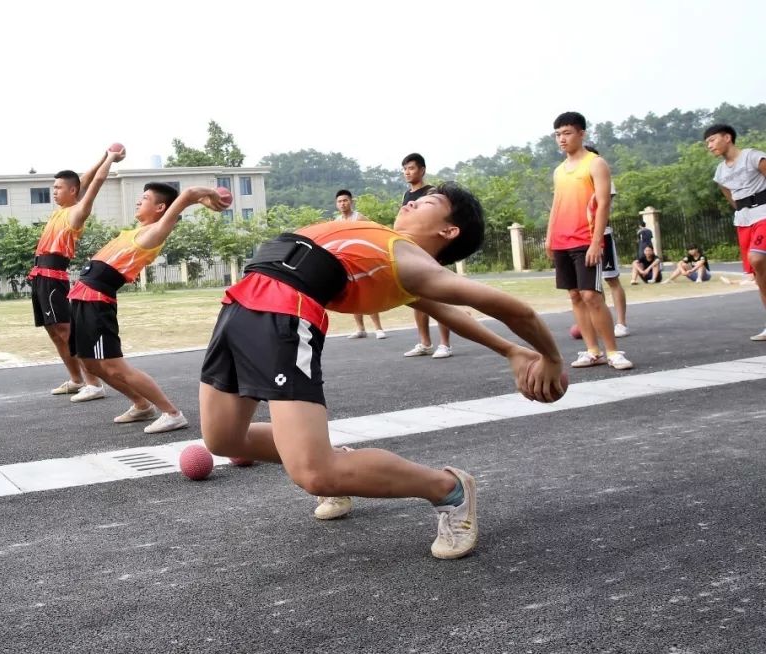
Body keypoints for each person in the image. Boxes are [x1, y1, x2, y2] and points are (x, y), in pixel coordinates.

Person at [198, 183, 567, 559]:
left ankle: (448, 488)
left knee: (314, 474)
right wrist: (509, 350)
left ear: (449, 230)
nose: (412, 203)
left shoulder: (412, 264)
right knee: (224, 438)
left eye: (428, 202)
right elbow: (449, 312)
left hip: (283, 314)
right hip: (240, 305)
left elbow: (514, 309)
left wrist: (550, 358)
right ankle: (335, 460)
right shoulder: (390, 250)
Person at [68, 183, 230, 433]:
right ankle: (142, 405)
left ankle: (172, 413)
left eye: (144, 198)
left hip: (96, 301)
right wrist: (201, 200)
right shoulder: (135, 231)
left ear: (160, 207)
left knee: (114, 367)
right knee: (90, 364)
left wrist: (209, 195)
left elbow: (187, 194)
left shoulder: (155, 232)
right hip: (82, 297)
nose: (138, 201)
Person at [29, 149, 123, 401]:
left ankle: (94, 384)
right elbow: (84, 178)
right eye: (53, 187)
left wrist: (110, 160)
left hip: (53, 275)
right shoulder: (60, 211)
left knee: (66, 331)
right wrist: (104, 156)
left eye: (59, 187)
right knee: (53, 331)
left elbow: (94, 181)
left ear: (73, 191)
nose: (54, 191)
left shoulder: (76, 212)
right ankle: (76, 379)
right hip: (39, 276)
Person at [545, 112, 633, 370]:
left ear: (581, 133)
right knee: (575, 296)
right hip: (562, 240)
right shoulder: (559, 171)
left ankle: (613, 351)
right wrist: (549, 238)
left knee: (591, 295)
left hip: (586, 239)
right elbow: (556, 205)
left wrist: (596, 243)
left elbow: (603, 204)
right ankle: (593, 351)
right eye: (558, 135)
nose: (562, 139)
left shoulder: (596, 164)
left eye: (567, 133)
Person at [704, 123, 766, 341]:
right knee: (759, 274)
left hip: (764, 214)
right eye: (707, 143)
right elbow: (730, 197)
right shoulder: (720, 172)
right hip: (743, 221)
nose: (709, 146)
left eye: (712, 140)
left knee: (757, 258)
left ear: (727, 137)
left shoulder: (752, 157)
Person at [399, 153, 453, 359]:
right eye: (405, 169)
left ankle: (445, 344)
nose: (407, 172)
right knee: (418, 296)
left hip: (432, 253)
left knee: (439, 296)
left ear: (422, 170)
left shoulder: (432, 193)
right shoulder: (406, 195)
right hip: (414, 252)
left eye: (411, 168)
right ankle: (425, 343)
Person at [584, 145, 629, 337]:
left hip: (602, 235)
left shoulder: (603, 177)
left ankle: (621, 323)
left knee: (611, 279)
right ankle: (599, 323)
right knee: (589, 285)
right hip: (581, 237)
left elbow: (603, 205)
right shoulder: (573, 179)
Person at [333, 189, 387, 340]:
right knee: (352, 294)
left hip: (361, 260)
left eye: (345, 200)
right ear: (336, 204)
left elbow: (373, 233)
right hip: (346, 261)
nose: (342, 204)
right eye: (339, 201)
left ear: (351, 201)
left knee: (367, 293)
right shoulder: (336, 222)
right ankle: (360, 329)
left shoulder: (359, 218)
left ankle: (378, 328)